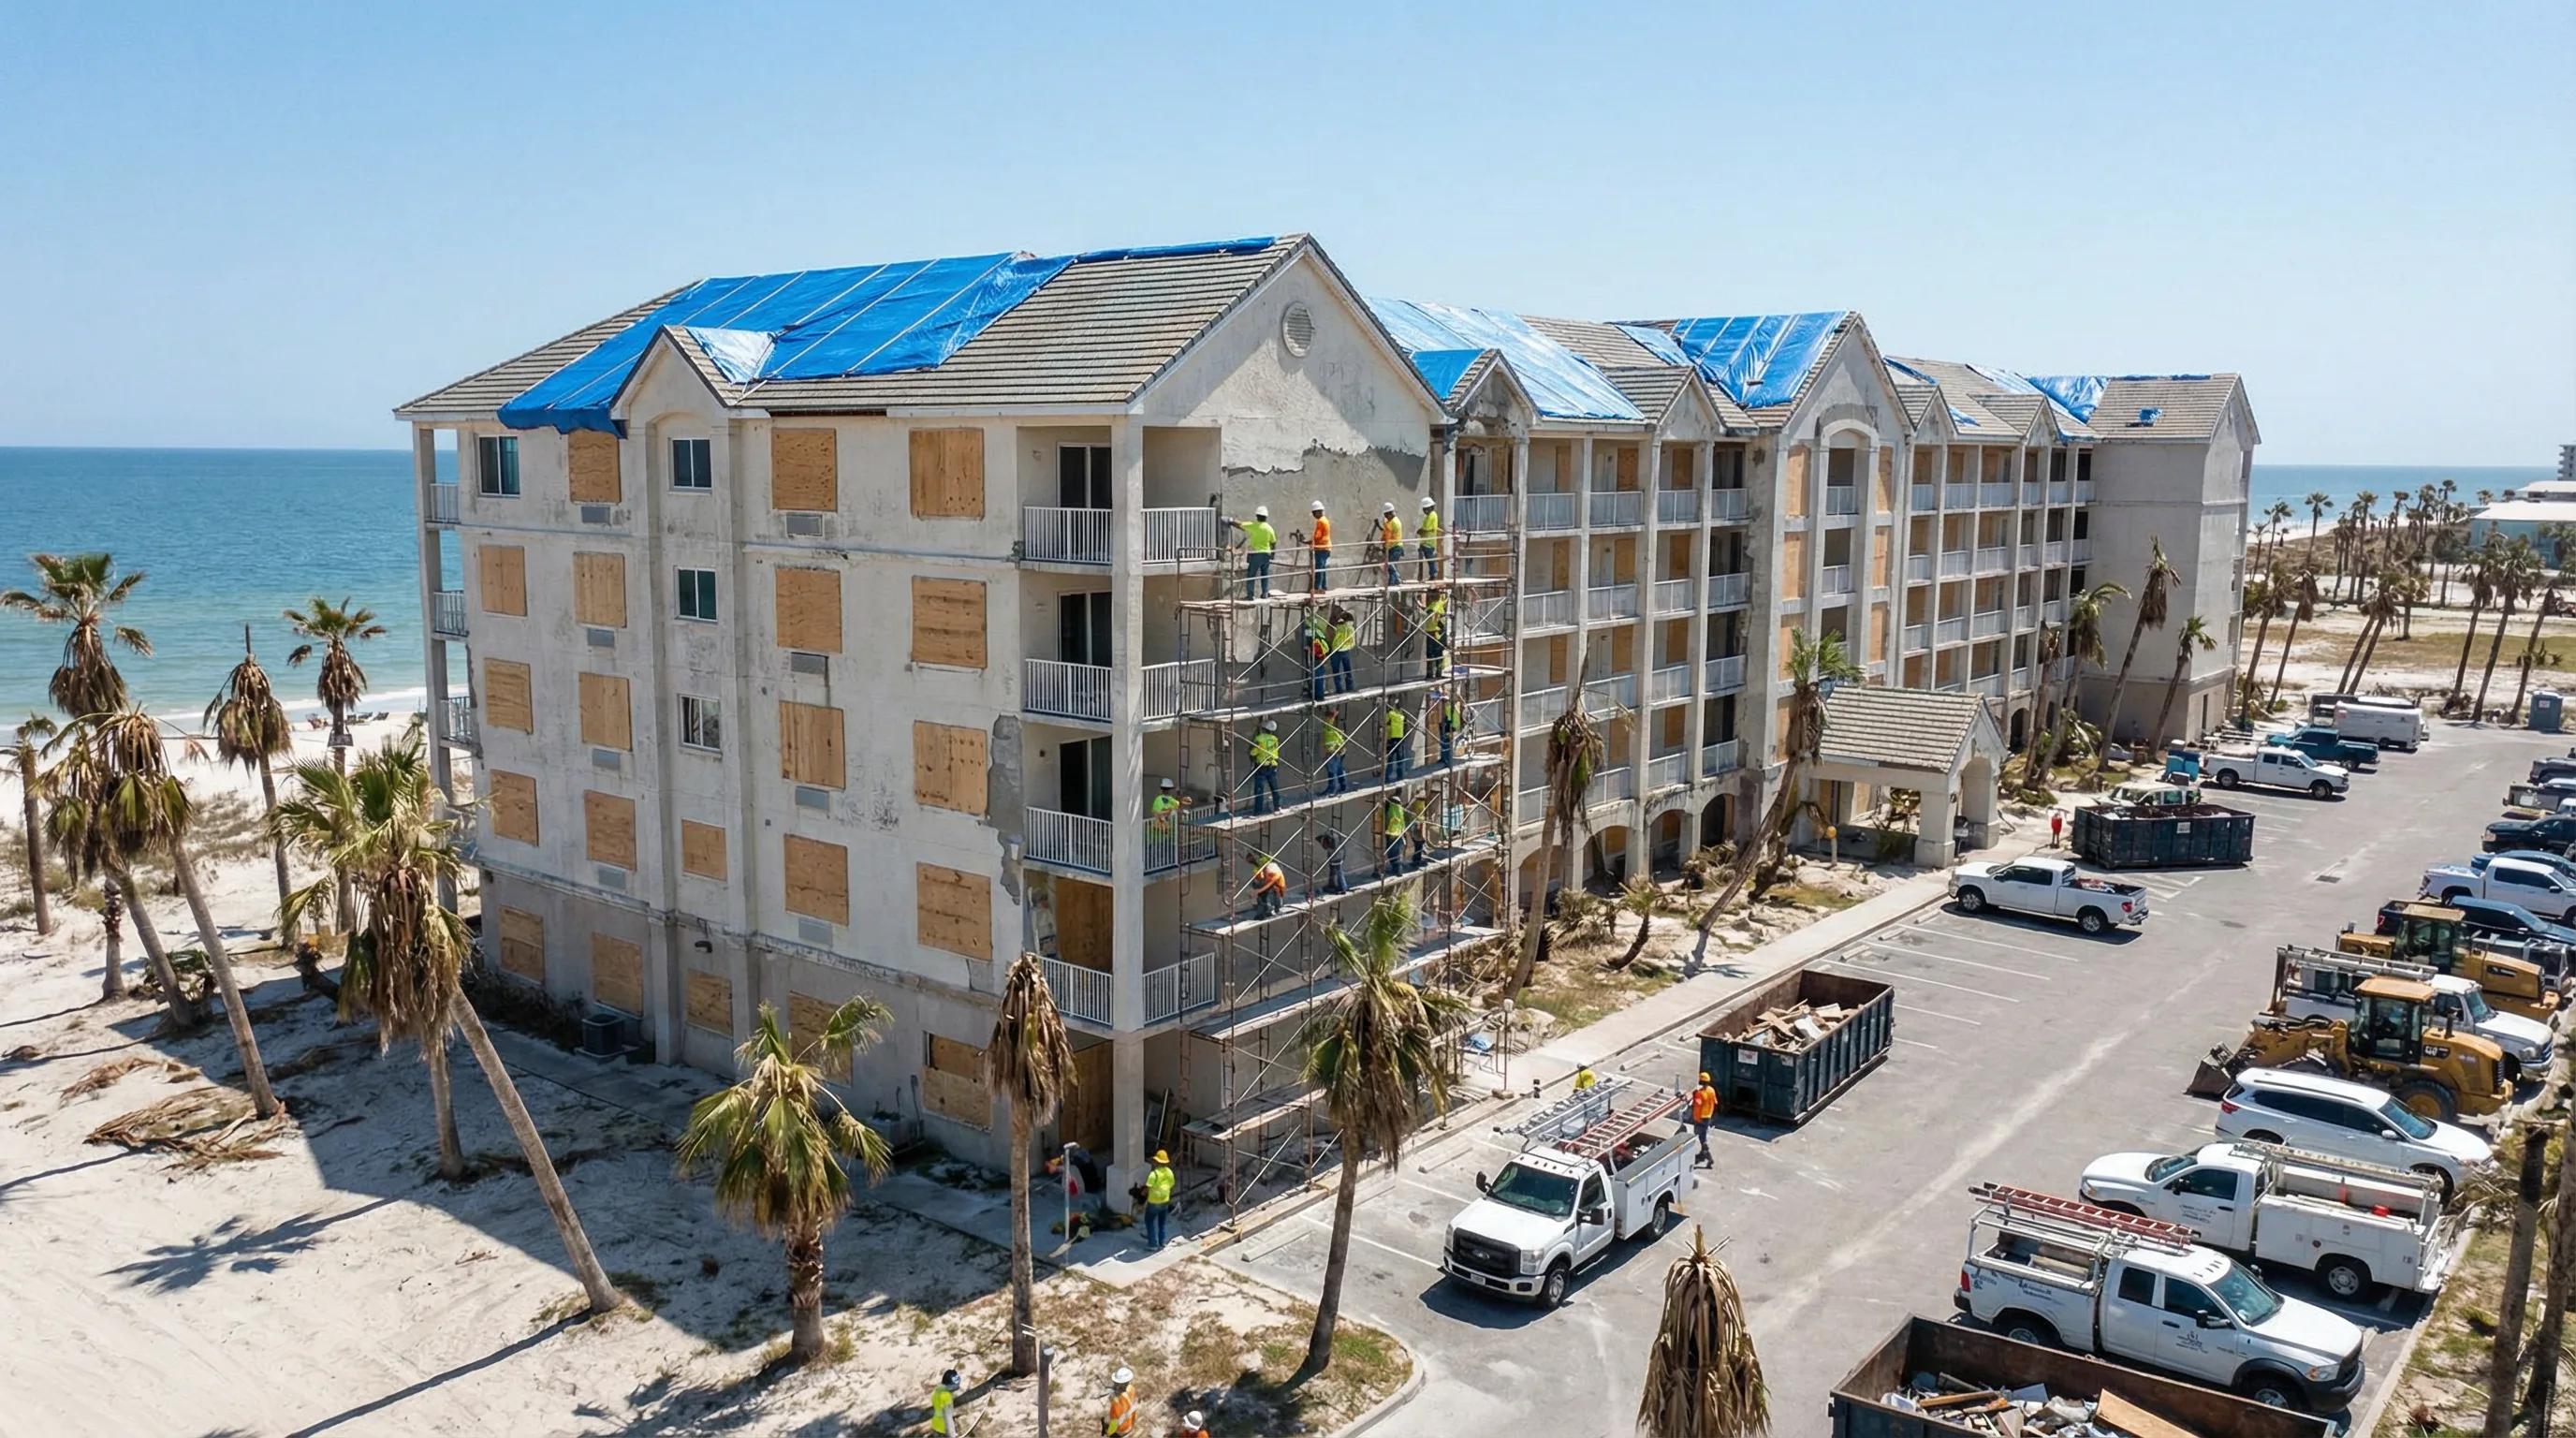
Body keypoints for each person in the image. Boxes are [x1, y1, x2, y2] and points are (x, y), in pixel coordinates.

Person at [1236, 506, 1277, 598]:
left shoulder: (1254, 526)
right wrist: (1273, 554)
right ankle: (1264, 593)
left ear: (1257, 516)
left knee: (1251, 574)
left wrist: (1230, 521)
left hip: (1256, 554)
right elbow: (1273, 542)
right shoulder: (1269, 528)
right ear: (1266, 517)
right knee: (1265, 574)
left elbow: (1240, 524)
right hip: (1266, 554)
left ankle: (1250, 595)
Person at [1143, 1151, 1177, 1248]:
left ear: (1157, 1162)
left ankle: (1153, 1244)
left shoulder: (1154, 1175)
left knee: (1149, 1221)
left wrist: (1142, 1193)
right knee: (1162, 1222)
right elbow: (1172, 1184)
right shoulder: (1169, 1172)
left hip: (1154, 1202)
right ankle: (1162, 1243)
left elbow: (1147, 1188)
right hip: (1165, 1201)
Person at [1248, 721, 1281, 814]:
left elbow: (1254, 751)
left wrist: (1251, 753)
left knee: (1259, 790)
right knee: (1274, 788)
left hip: (1261, 766)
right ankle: (1277, 807)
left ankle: (1258, 812)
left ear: (1264, 728)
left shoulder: (1260, 739)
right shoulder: (1275, 739)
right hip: (1272, 765)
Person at [1690, 1072, 1720, 1168]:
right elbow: (1715, 1101)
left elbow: (1697, 1104)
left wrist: (1695, 1095)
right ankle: (1703, 1153)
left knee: (1702, 1137)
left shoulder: (1700, 1093)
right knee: (1704, 1133)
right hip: (1708, 1116)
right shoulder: (1711, 1090)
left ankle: (1708, 1156)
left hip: (1700, 1118)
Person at [1320, 709, 1351, 795]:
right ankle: (1343, 787)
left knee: (1332, 771)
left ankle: (1332, 789)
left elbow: (1329, 723)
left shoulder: (1329, 728)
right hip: (1337, 751)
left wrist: (1333, 715)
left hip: (1333, 752)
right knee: (1338, 769)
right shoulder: (1334, 729)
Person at [1328, 605, 1357, 694]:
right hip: (1344, 649)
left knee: (1337, 672)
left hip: (1336, 649)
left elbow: (1330, 636)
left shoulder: (1333, 625)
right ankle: (1349, 687)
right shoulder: (1347, 625)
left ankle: (1339, 689)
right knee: (1347, 670)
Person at [1304, 605, 1330, 701]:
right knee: (1316, 676)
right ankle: (1315, 694)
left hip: (1316, 657)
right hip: (1319, 656)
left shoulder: (1310, 627)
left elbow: (1309, 636)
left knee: (1315, 676)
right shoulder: (1319, 627)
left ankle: (1317, 696)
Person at [1307, 500, 1334, 592]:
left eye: (1314, 513)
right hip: (1327, 547)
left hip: (1321, 548)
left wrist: (1309, 541)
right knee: (1322, 568)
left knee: (1318, 569)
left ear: (1318, 512)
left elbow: (1318, 536)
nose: (1314, 515)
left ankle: (1318, 588)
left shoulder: (1320, 521)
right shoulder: (1325, 520)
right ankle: (1323, 587)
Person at [1105, 1365, 1139, 1435]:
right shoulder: (1131, 1388)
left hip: (1122, 1428)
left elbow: (1116, 1419)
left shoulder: (1118, 1399)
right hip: (1130, 1423)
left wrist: (1109, 1433)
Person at [1380, 794, 1408, 877]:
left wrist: (1382, 804)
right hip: (1399, 833)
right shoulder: (1400, 809)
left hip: (1391, 833)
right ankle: (1398, 870)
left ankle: (1397, 870)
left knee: (1392, 853)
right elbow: (1403, 822)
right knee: (1397, 853)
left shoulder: (1391, 808)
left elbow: (1382, 815)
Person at [1252, 853, 1287, 918]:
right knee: (1263, 890)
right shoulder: (1269, 869)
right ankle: (1267, 909)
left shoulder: (1275, 874)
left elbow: (1268, 885)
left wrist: (1257, 892)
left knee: (1268, 894)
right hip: (1275, 888)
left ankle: (1270, 910)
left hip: (1278, 889)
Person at [1316, 825, 1348, 895]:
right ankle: (1332, 884)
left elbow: (1329, 847)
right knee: (1333, 872)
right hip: (1336, 857)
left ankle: (1343, 887)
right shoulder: (1336, 837)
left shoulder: (1332, 839)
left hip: (1336, 858)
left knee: (1339, 873)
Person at [1383, 702, 1410, 783]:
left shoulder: (1391, 714)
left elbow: (1385, 721)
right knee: (1400, 759)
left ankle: (1386, 778)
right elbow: (1406, 724)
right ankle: (1400, 776)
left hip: (1391, 738)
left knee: (1390, 760)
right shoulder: (1402, 716)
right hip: (1400, 739)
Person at [1416, 495, 1442, 580]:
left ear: (1431, 508)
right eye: (1424, 509)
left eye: (1427, 509)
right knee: (1428, 558)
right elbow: (1424, 528)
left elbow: (1427, 528)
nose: (1425, 511)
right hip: (1425, 541)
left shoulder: (1433, 515)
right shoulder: (1426, 516)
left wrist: (1421, 530)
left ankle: (1433, 574)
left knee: (1430, 559)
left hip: (1429, 542)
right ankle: (1429, 574)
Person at [1378, 502, 1403, 585]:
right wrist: (1379, 526)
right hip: (1395, 547)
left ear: (1390, 513)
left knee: (1390, 565)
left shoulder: (1393, 523)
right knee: (1391, 566)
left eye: (1386, 514)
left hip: (1395, 547)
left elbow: (1388, 535)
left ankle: (1397, 580)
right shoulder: (1392, 521)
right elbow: (1386, 530)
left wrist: (1385, 546)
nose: (1385, 517)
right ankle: (1393, 582)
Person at [930, 1369, 962, 1435]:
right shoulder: (947, 1397)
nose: (958, 1385)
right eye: (956, 1384)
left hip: (935, 1425)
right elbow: (948, 1418)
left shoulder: (938, 1390)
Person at [1439, 690, 1463, 769]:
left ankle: (1447, 761)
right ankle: (1444, 759)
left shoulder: (1449, 706)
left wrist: (1449, 727)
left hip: (1449, 727)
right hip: (1449, 726)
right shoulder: (1451, 706)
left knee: (1446, 743)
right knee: (1444, 743)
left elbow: (1450, 717)